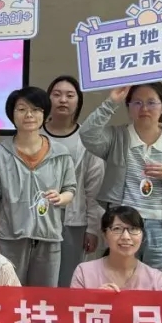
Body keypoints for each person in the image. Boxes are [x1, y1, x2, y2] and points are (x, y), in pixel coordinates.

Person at [80, 83, 162, 270]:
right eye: (137, 103)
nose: (144, 108)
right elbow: (87, 134)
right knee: (119, 278)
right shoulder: (117, 136)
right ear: (128, 107)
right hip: (122, 223)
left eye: (151, 102)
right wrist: (111, 102)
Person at [0, 86, 77, 287]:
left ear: (44, 114)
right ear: (12, 114)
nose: (29, 115)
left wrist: (61, 198)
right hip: (9, 239)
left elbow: (70, 189)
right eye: (22, 109)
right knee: (8, 296)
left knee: (44, 298)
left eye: (35, 110)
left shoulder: (60, 153)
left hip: (49, 238)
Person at [43, 75, 105, 286]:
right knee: (37, 281)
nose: (63, 100)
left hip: (73, 221)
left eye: (70, 95)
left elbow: (95, 187)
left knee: (67, 279)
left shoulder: (87, 139)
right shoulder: (34, 133)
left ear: (78, 102)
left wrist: (93, 228)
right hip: (37, 219)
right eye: (57, 94)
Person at [71, 206, 162, 291]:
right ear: (104, 235)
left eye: (133, 229)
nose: (126, 237)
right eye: (117, 229)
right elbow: (74, 306)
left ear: (142, 235)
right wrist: (96, 299)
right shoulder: (84, 273)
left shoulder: (156, 279)